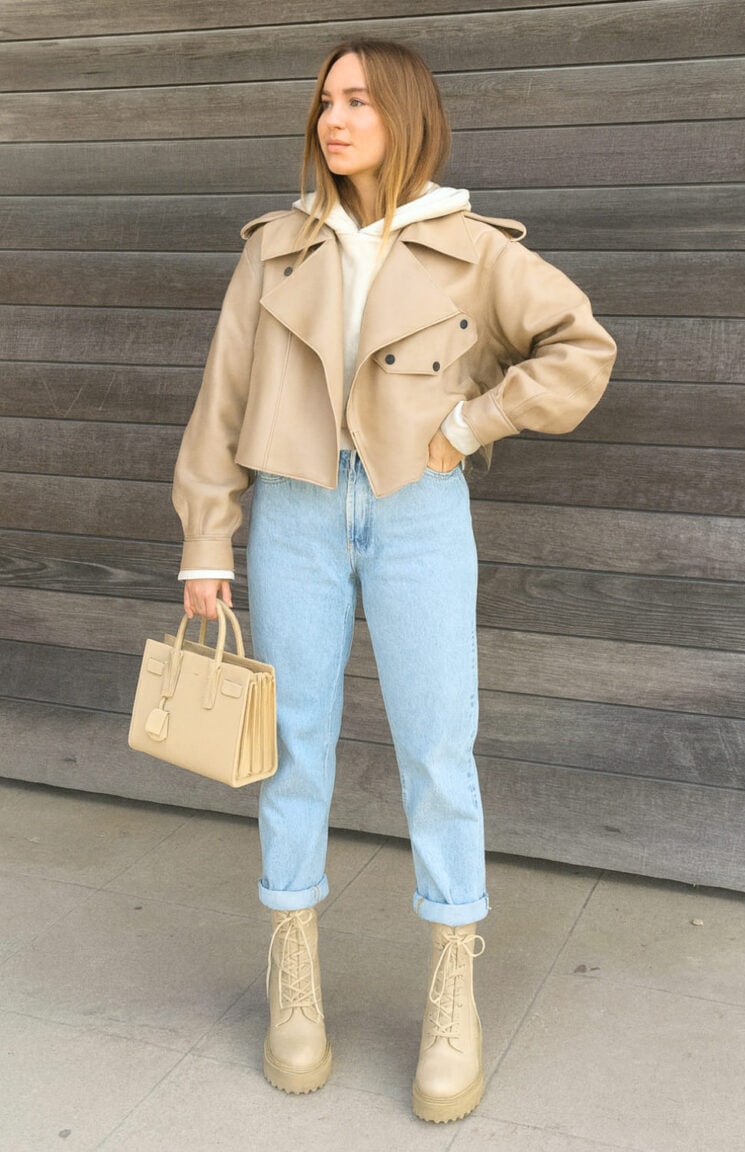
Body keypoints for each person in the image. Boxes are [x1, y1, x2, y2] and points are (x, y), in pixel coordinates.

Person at [173, 39, 616, 1123]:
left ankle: (453, 986)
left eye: (359, 100)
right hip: (293, 513)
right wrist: (205, 540)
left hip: (421, 513)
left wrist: (469, 424)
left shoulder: (476, 248)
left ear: (405, 113)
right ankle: (294, 980)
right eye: (326, 101)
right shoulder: (274, 248)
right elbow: (222, 398)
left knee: (436, 746)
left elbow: (579, 348)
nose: (335, 118)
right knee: (293, 748)